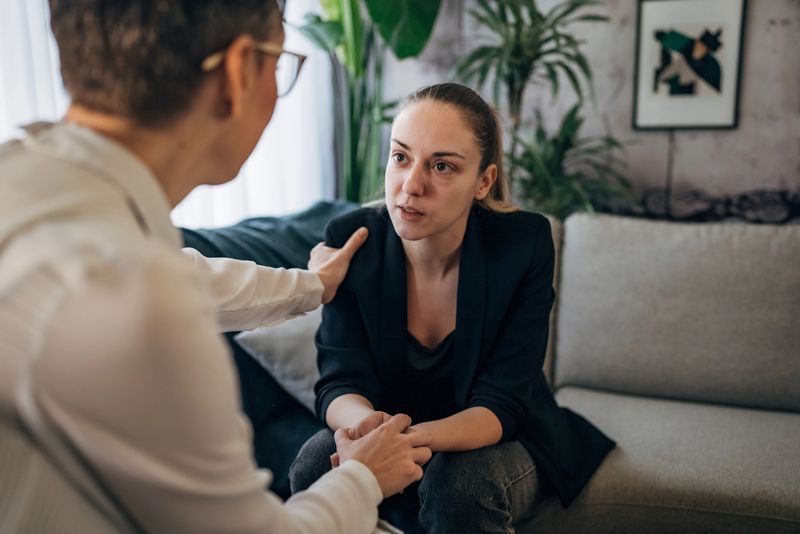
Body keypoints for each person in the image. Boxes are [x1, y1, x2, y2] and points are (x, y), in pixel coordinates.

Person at [0, 1, 432, 532]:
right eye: (281, 64)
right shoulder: (132, 300)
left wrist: (312, 286)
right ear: (239, 70)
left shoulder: (31, 180)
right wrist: (365, 477)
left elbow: (188, 275)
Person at [289, 83, 616, 533]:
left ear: (483, 181)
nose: (411, 185)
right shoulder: (352, 238)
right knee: (315, 465)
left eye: (442, 166)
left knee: (458, 481)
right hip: (386, 424)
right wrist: (369, 434)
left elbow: (502, 404)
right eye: (401, 157)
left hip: (492, 435)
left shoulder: (523, 244)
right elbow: (339, 381)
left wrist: (400, 443)